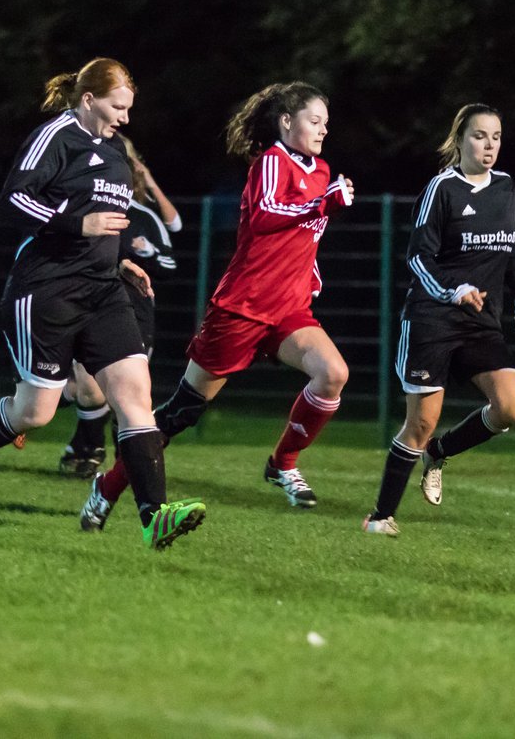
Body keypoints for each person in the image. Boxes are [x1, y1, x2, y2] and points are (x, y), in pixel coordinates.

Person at [0, 57, 205, 551]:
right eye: (118, 106)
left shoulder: (115, 152)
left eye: (129, 108)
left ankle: (153, 516)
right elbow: (14, 199)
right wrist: (79, 225)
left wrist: (118, 262)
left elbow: (109, 221)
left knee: (136, 397)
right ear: (89, 100)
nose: (125, 118)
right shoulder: (56, 136)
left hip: (104, 292)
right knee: (35, 412)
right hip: (46, 291)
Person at [83, 81, 353, 525]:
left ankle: (282, 464)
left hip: (288, 309)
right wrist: (322, 204)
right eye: (314, 121)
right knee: (181, 413)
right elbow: (266, 216)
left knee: (333, 374)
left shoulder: (321, 171)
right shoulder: (271, 162)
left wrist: (311, 272)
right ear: (287, 122)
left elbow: (303, 238)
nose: (323, 130)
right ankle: (108, 486)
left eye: (326, 122)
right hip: (242, 309)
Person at [362, 103, 515, 537]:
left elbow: (507, 249)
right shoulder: (441, 188)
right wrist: (453, 290)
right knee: (420, 422)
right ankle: (380, 517)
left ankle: (440, 452)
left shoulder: (505, 187)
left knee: (512, 405)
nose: (489, 145)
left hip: (481, 320)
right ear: (459, 140)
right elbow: (418, 257)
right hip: (434, 318)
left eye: (496, 137)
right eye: (480, 136)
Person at [60, 134, 180, 480]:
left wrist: (146, 254)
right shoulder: (84, 210)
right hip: (89, 308)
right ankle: (91, 450)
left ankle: (99, 456)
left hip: (137, 315)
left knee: (124, 398)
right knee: (89, 386)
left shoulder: (143, 217)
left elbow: (170, 262)